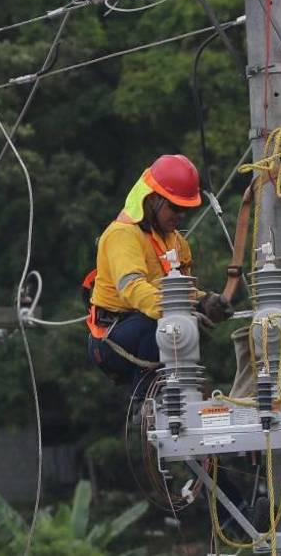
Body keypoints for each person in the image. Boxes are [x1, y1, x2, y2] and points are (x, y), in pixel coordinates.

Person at [85, 154, 233, 394]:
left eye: (185, 209)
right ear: (153, 199)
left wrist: (204, 301)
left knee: (183, 327)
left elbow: (177, 289)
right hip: (112, 339)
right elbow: (133, 289)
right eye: (175, 207)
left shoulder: (176, 241)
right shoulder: (122, 235)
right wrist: (178, 311)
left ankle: (178, 391)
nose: (180, 215)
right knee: (167, 325)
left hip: (146, 327)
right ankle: (146, 398)